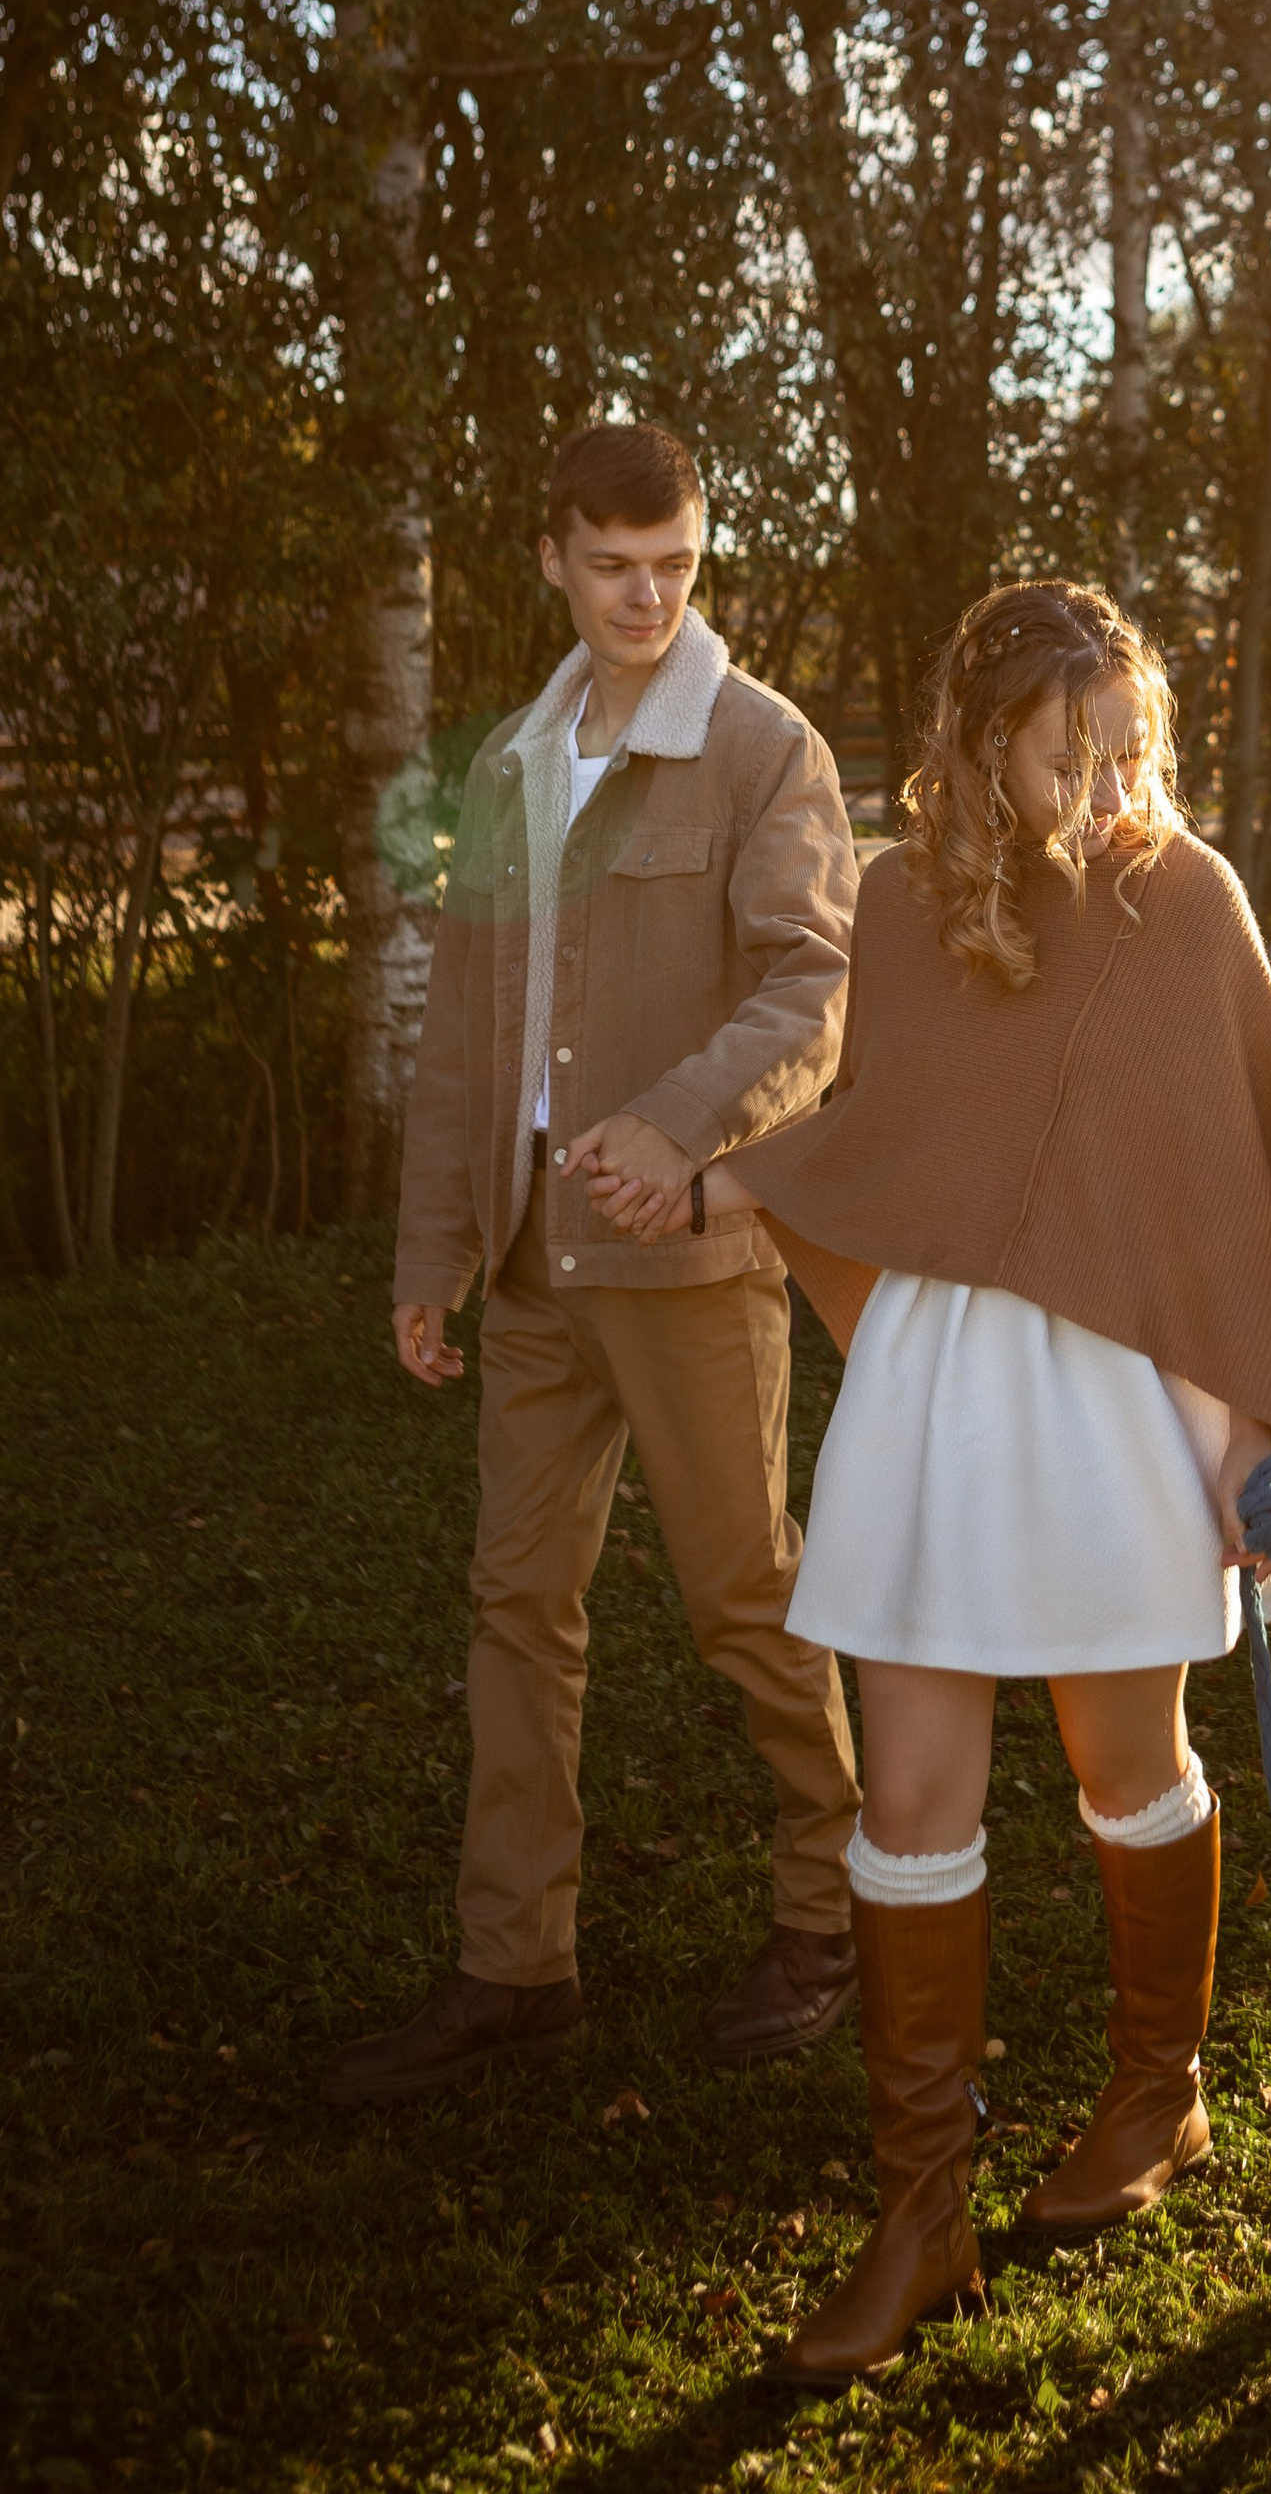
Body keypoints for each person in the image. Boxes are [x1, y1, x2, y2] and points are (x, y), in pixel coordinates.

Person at [588, 578, 1271, 2381]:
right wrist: (711, 1176)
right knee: (913, 1793)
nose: (1102, 788)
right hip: (944, 1395)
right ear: (979, 743)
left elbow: (1238, 1168)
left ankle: (1155, 2099)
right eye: (1061, 753)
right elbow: (892, 1147)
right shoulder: (899, 904)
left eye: (1125, 750)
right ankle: (920, 2210)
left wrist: (1261, 1420)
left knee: (1127, 1762)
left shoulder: (1188, 897)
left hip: (1119, 1391)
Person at [318, 422, 866, 2108]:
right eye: (616, 567)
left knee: (743, 1599)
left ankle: (833, 1918)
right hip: (533, 1269)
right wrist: (435, 1251)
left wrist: (677, 1128)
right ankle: (516, 1967)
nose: (649, 596)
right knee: (516, 1610)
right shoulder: (508, 765)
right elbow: (470, 1046)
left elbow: (810, 986)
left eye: (678, 566)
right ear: (550, 558)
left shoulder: (766, 748)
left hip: (688, 1258)